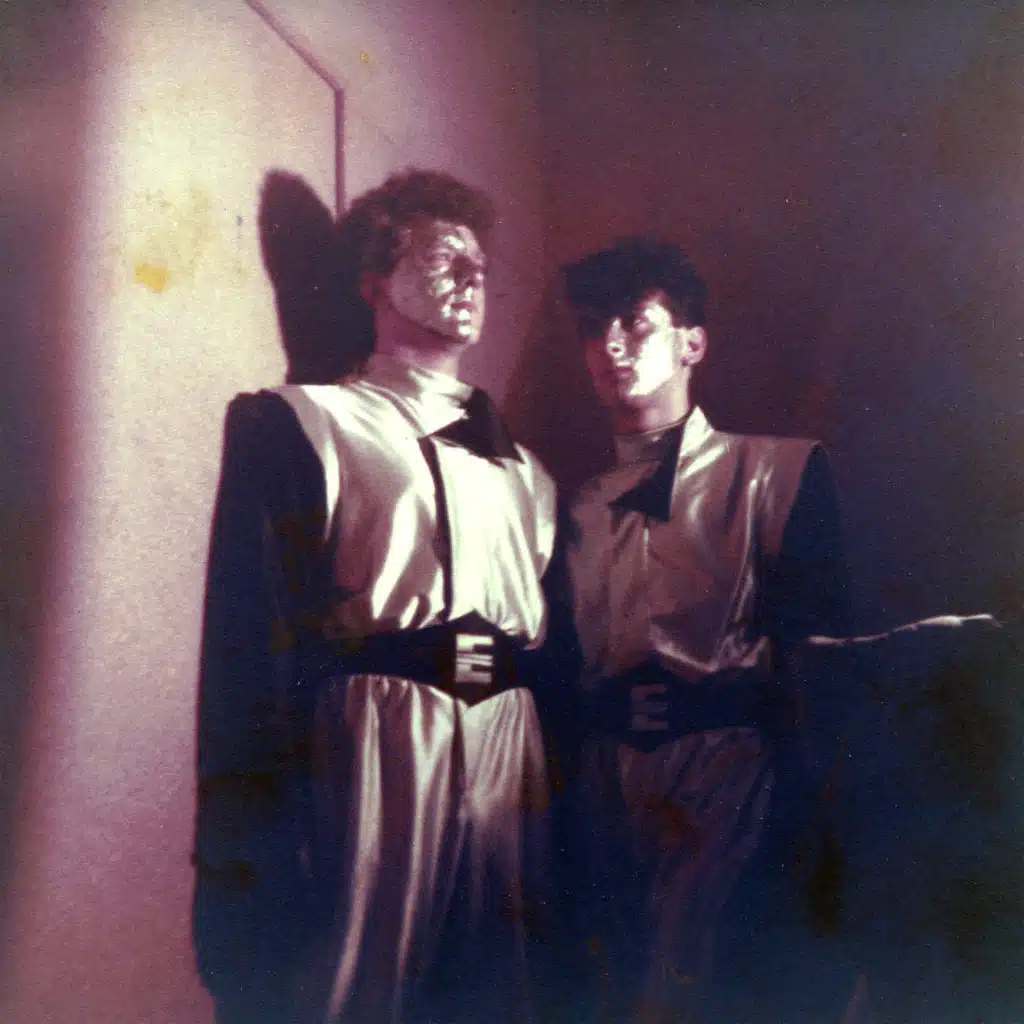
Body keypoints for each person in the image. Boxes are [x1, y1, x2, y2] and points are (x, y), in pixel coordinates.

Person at [559, 236, 995, 1023]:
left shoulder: (779, 472)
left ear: (692, 343)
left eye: (634, 322)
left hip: (735, 793)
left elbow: (819, 664)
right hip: (604, 800)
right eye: (594, 327)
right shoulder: (574, 506)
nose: (610, 345)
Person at [192, 169, 568, 1024]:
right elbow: (247, 652)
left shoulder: (528, 474)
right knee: (353, 991)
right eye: (441, 259)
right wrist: (245, 846)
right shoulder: (301, 423)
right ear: (374, 285)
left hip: (510, 752)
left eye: (480, 265)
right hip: (374, 744)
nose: (471, 278)